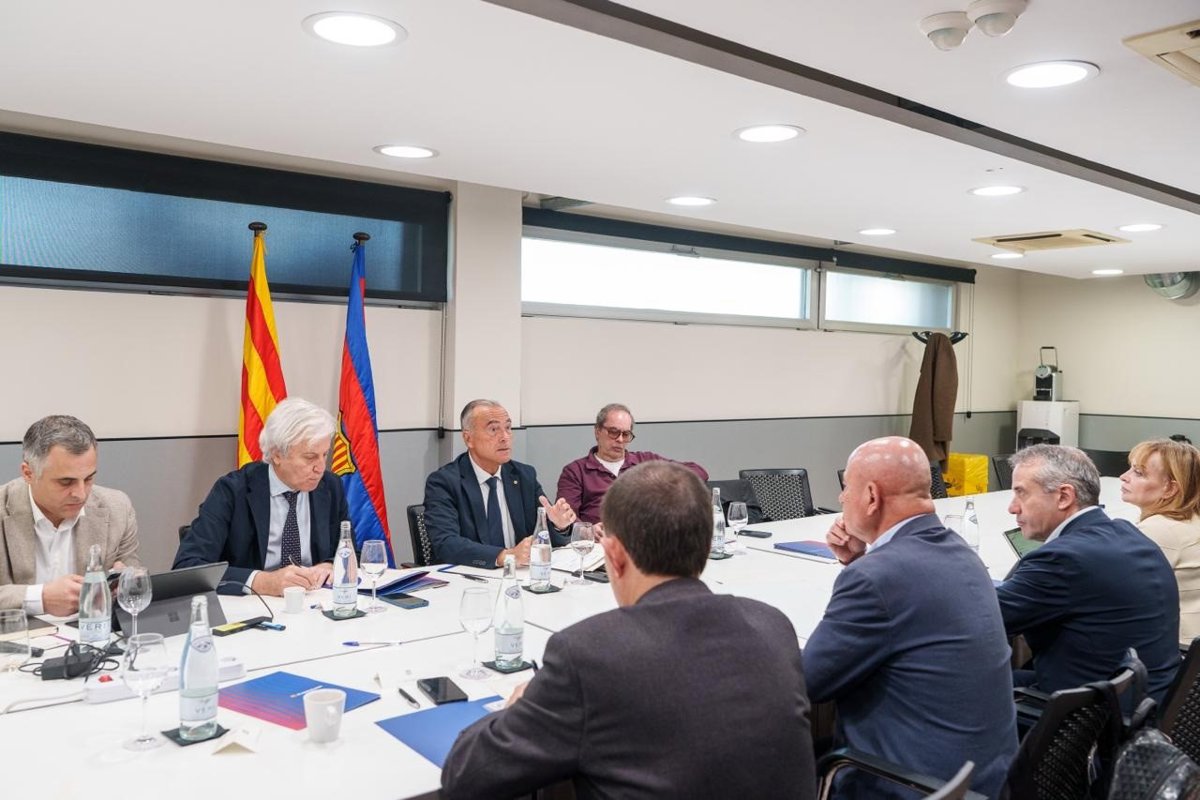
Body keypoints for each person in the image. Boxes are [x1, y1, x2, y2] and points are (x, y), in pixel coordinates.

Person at [442, 461, 817, 799]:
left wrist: (520, 706)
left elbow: (466, 777)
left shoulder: (587, 654)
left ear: (614, 555)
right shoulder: (772, 626)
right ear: (707, 545)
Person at [805, 436, 1016, 800]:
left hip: (909, 784)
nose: (841, 498)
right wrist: (860, 559)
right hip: (982, 780)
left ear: (871, 496)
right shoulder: (960, 552)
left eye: (846, 488)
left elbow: (810, 681)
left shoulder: (876, 578)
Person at [998, 444, 1180, 704]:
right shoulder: (1128, 533)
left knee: (957, 688)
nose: (1013, 508)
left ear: (1064, 497)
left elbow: (981, 618)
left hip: (1093, 716)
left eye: (1021, 493)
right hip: (1149, 702)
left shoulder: (1063, 559)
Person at [173, 398, 348, 596]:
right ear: (277, 454)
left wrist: (330, 565)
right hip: (252, 607)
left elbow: (351, 550)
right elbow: (187, 567)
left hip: (314, 603)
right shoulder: (232, 491)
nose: (321, 468)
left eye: (325, 455)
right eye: (310, 457)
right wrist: (262, 582)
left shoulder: (330, 487)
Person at [0, 415, 141, 616]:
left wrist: (126, 582)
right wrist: (40, 598)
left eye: (89, 479)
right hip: (19, 634)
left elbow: (134, 580)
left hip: (91, 632)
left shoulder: (117, 508)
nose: (81, 494)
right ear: (28, 473)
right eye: (66, 482)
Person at [424, 399, 575, 568]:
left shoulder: (524, 476)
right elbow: (446, 544)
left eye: (508, 428)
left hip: (521, 576)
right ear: (468, 438)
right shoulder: (444, 483)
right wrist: (505, 556)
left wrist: (558, 525)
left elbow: (545, 540)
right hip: (470, 577)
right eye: (493, 429)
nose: (505, 437)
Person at [556, 403, 708, 524]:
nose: (620, 440)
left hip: (645, 539)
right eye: (613, 432)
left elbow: (699, 472)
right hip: (600, 544)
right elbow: (565, 517)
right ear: (597, 432)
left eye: (626, 434)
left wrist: (662, 483)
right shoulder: (575, 471)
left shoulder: (645, 461)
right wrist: (586, 531)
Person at [1121, 438, 1200, 645]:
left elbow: (1118, 593)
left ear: (1170, 489)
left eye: (1139, 473)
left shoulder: (1160, 529)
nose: (1124, 477)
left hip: (1176, 649)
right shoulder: (1190, 520)